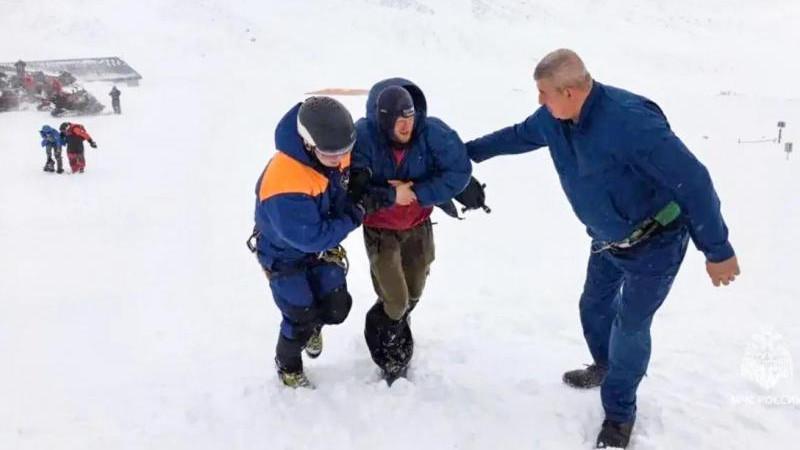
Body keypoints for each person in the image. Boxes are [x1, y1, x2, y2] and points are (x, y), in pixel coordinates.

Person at [465, 49, 740, 448]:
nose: (540, 102)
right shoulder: (553, 119)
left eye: (544, 93)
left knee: (629, 326)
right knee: (593, 306)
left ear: (572, 91)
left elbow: (693, 181)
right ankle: (605, 366)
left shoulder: (631, 122)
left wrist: (717, 250)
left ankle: (618, 416)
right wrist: (462, 154)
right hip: (607, 239)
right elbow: (517, 135)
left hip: (656, 242)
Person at [350, 78, 473, 384]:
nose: (405, 126)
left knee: (414, 293)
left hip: (418, 227)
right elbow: (353, 185)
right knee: (394, 300)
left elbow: (459, 170)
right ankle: (388, 350)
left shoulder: (432, 133)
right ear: (382, 120)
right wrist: (390, 195)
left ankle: (395, 324)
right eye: (397, 119)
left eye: (409, 118)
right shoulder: (365, 137)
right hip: (381, 232)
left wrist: (417, 191)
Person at [251, 96, 364, 389]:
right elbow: (312, 237)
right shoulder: (284, 183)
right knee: (299, 315)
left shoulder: (334, 149)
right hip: (284, 254)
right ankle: (288, 365)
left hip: (318, 245)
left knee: (337, 306)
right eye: (331, 155)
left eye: (345, 152)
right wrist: (356, 213)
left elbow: (341, 177)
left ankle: (315, 326)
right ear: (308, 144)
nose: (340, 159)